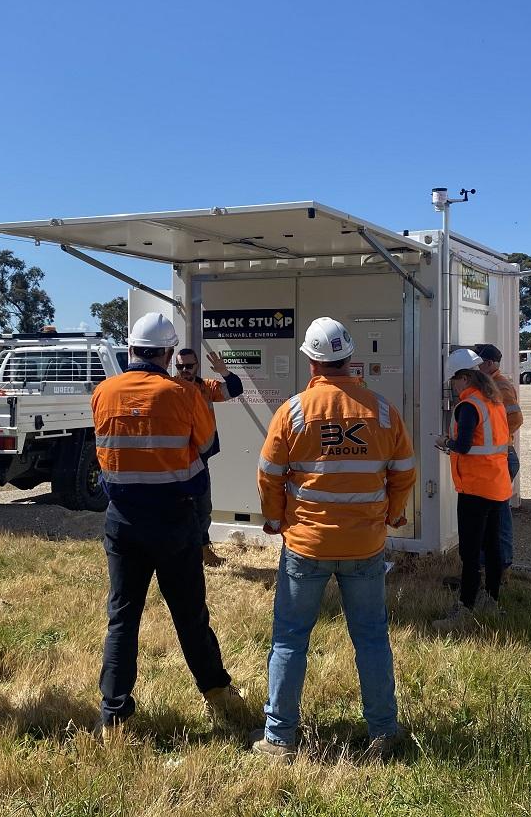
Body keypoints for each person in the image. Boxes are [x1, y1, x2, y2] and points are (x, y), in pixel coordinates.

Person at [251, 317, 416, 761]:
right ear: (350, 359)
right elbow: (404, 471)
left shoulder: (295, 411)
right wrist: (393, 514)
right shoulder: (382, 410)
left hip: (306, 545)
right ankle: (383, 733)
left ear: (311, 362)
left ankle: (280, 739)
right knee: (372, 639)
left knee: (289, 639)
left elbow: (268, 474)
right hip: (365, 545)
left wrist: (274, 519)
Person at [91, 313, 247, 738]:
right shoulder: (182, 394)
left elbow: (104, 457)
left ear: (131, 349)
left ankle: (114, 715)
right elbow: (207, 449)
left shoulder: (103, 392)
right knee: (190, 613)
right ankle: (217, 693)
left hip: (122, 522)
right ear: (167, 354)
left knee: (122, 616)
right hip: (174, 519)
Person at [432, 348, 512, 632]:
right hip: (497, 485)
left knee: (469, 552)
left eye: (454, 380)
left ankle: (465, 607)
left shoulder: (469, 406)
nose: (452, 386)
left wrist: (444, 441)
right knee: (492, 548)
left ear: (464, 378)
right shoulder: (494, 401)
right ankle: (491, 600)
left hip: (475, 489)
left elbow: (464, 445)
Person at [173, 347, 244, 566]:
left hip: (200, 458)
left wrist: (225, 372)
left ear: (196, 366)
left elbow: (235, 389)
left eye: (189, 365)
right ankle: (180, 552)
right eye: (180, 366)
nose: (184, 370)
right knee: (177, 508)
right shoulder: (170, 388)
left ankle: (203, 551)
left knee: (203, 507)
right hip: (174, 458)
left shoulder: (206, 387)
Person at [473, 343, 522, 569]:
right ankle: (490, 562)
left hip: (503, 456)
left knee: (499, 513)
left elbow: (515, 418)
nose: (475, 366)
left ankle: (502, 563)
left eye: (478, 362)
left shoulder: (500, 385)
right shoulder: (488, 384)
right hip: (498, 456)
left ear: (490, 363)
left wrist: (496, 438)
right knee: (490, 513)